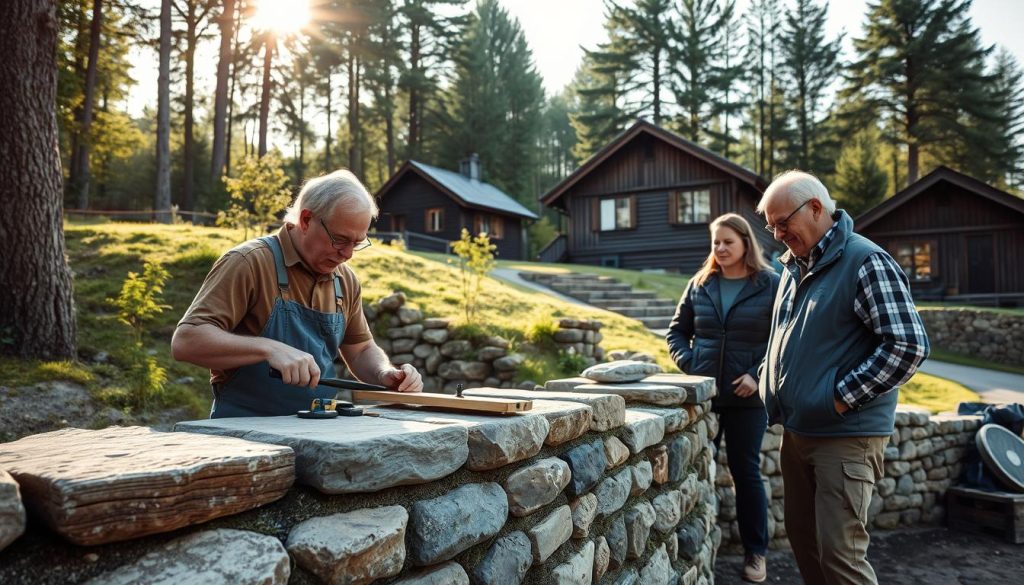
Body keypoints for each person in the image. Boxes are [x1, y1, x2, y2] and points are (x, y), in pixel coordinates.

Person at [757, 171, 929, 585]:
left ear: (816, 208)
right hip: (798, 432)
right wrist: (769, 377)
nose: (778, 234)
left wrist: (839, 397)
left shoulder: (865, 261)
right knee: (806, 544)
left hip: (845, 435)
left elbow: (908, 345)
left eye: (783, 222)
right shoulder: (795, 266)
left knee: (840, 557)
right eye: (771, 226)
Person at [171, 169, 422, 418]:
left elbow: (360, 350)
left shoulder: (345, 279)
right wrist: (269, 349)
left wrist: (384, 373)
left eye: (357, 243)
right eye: (339, 239)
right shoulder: (248, 263)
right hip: (243, 433)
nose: (348, 254)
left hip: (318, 428)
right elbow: (186, 341)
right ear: (305, 220)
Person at [666, 213, 780, 583]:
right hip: (706, 399)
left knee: (746, 472)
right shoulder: (700, 284)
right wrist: (692, 366)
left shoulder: (771, 284)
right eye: (716, 242)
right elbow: (676, 334)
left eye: (728, 241)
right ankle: (696, 545)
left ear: (746, 242)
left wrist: (757, 374)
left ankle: (756, 553)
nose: (720, 248)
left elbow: (782, 340)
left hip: (749, 399)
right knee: (700, 469)